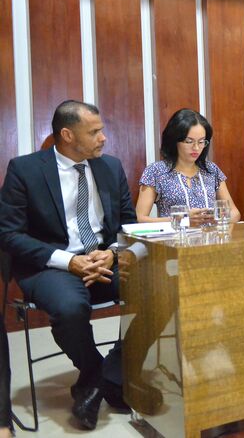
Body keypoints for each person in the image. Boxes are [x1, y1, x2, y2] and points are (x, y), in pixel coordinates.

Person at [0, 100, 136, 430]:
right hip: (51, 265)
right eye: (94, 132)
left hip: (103, 260)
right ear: (67, 135)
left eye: (102, 130)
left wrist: (113, 253)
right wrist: (69, 261)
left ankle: (110, 373)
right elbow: (8, 234)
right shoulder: (25, 170)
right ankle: (98, 376)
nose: (103, 137)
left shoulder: (111, 167)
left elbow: (128, 224)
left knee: (160, 290)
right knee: (70, 307)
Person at [136, 109, 240, 225]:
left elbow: (234, 213)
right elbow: (141, 218)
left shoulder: (211, 170)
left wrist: (216, 219)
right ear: (174, 140)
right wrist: (183, 219)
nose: (196, 148)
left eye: (201, 142)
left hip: (210, 235)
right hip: (175, 235)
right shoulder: (156, 171)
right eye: (189, 141)